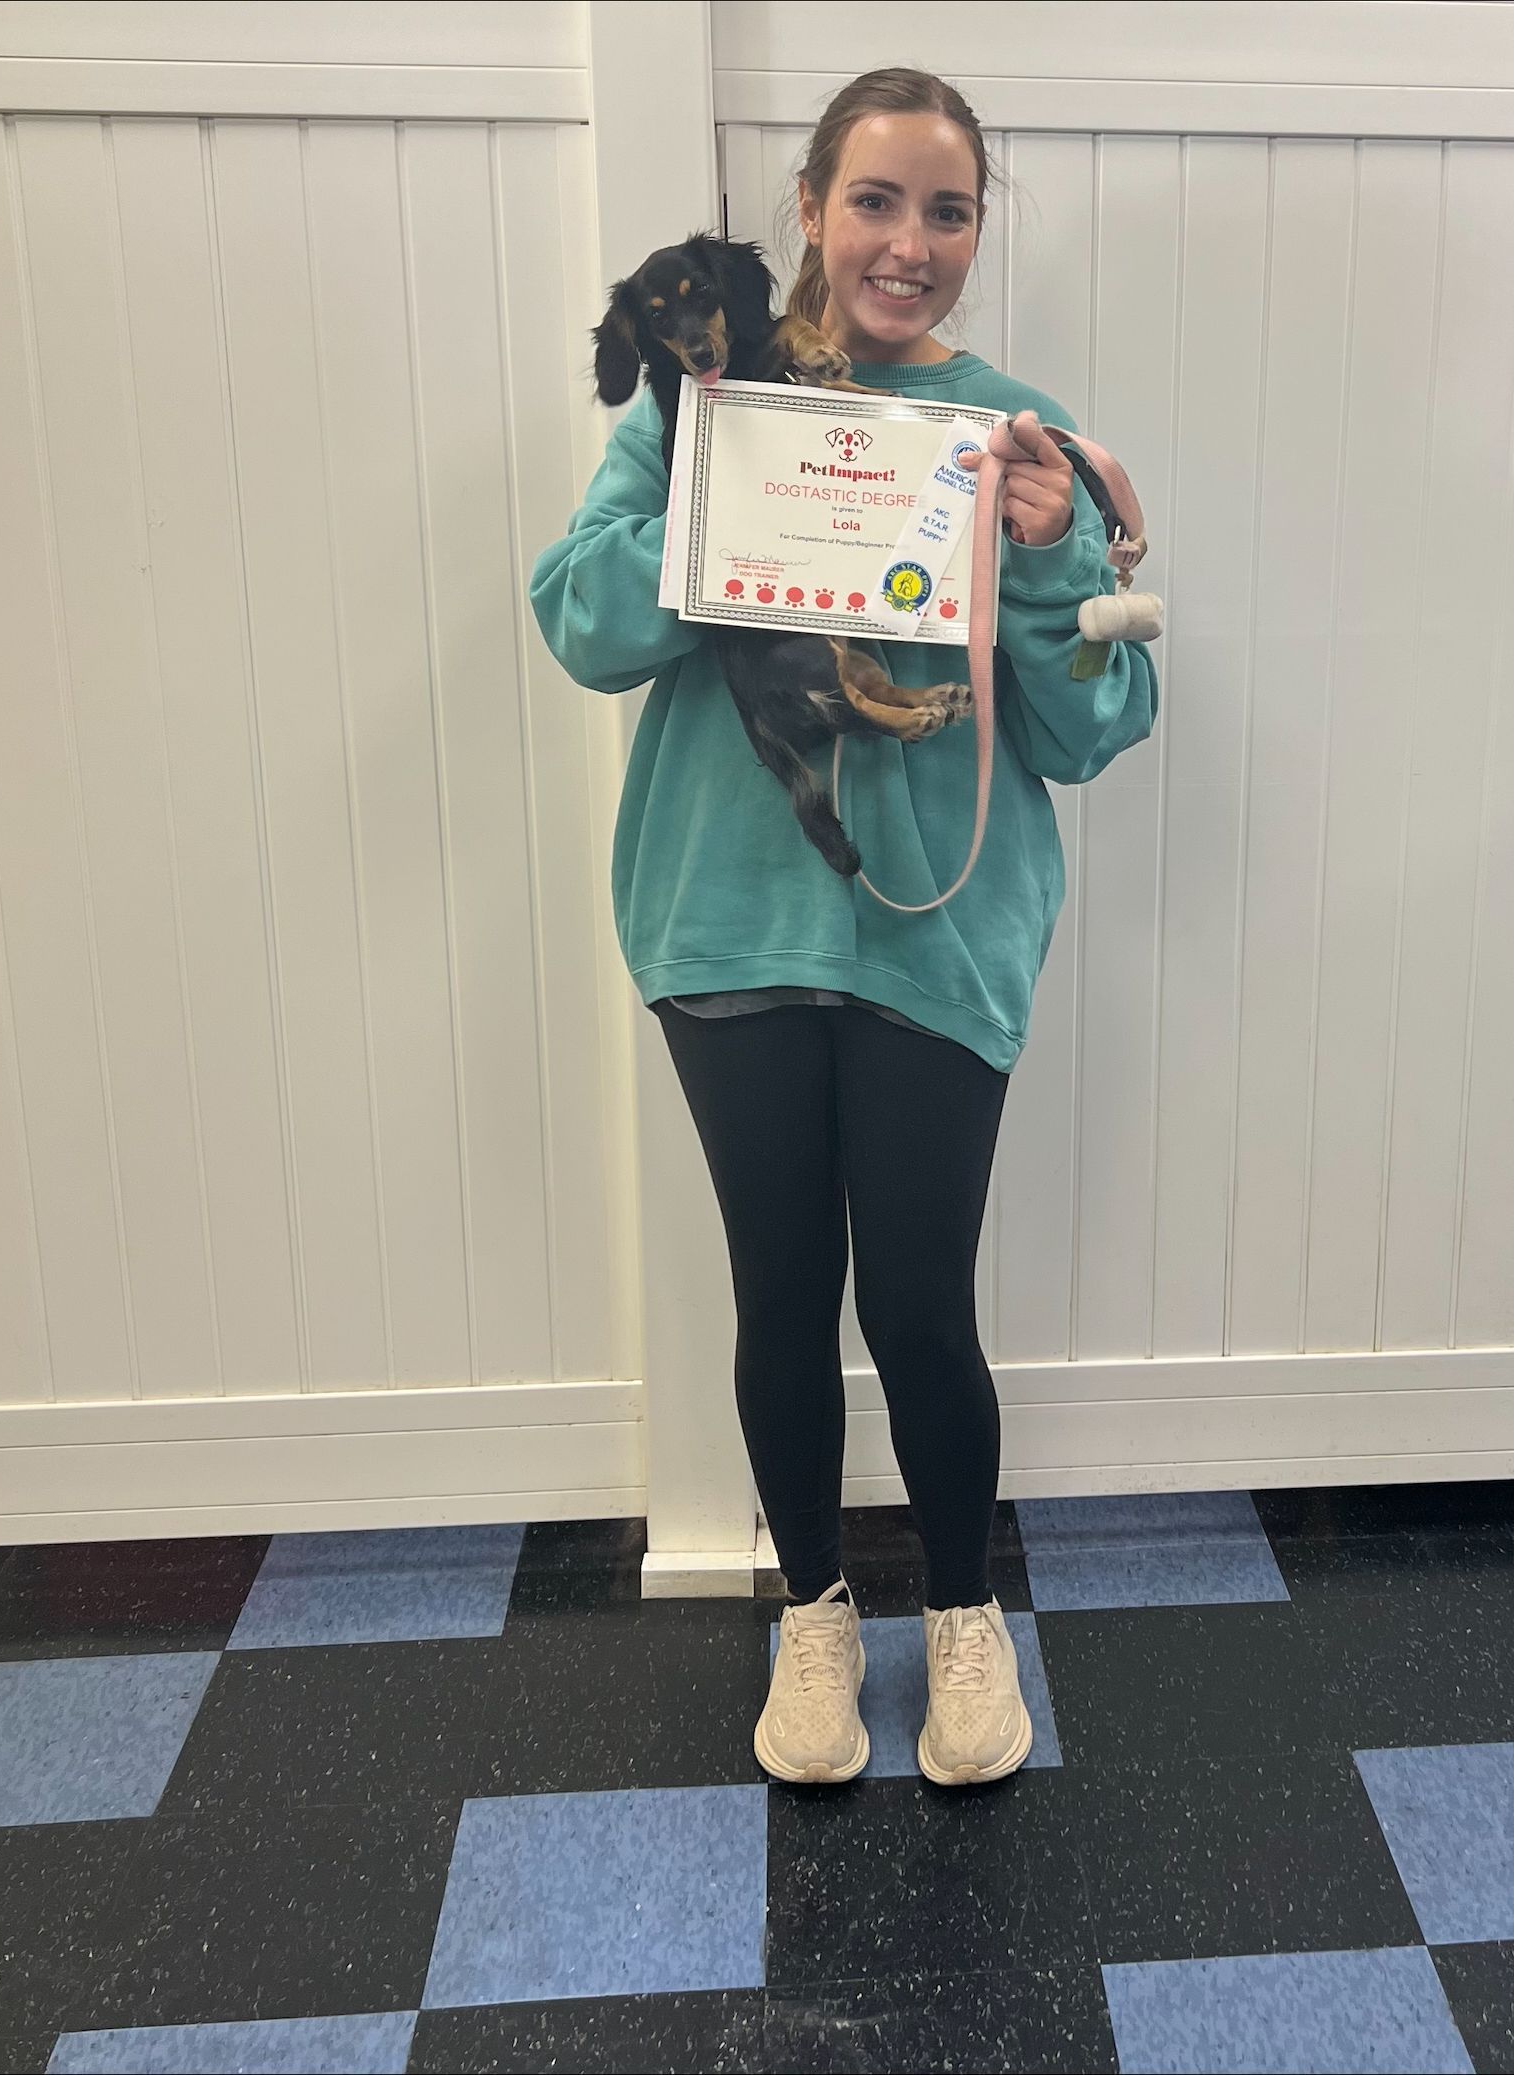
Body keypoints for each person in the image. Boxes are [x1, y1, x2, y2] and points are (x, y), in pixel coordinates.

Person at [528, 67, 1159, 1788]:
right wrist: (716, 481)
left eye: (945, 210)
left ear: (972, 233)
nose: (908, 243)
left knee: (924, 1307)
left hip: (932, 939)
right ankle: (814, 1614)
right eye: (874, 200)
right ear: (809, 207)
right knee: (780, 1291)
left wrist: (1038, 558)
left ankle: (960, 1617)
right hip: (724, 925)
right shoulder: (700, 396)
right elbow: (582, 629)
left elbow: (1095, 729)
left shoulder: (1013, 434)